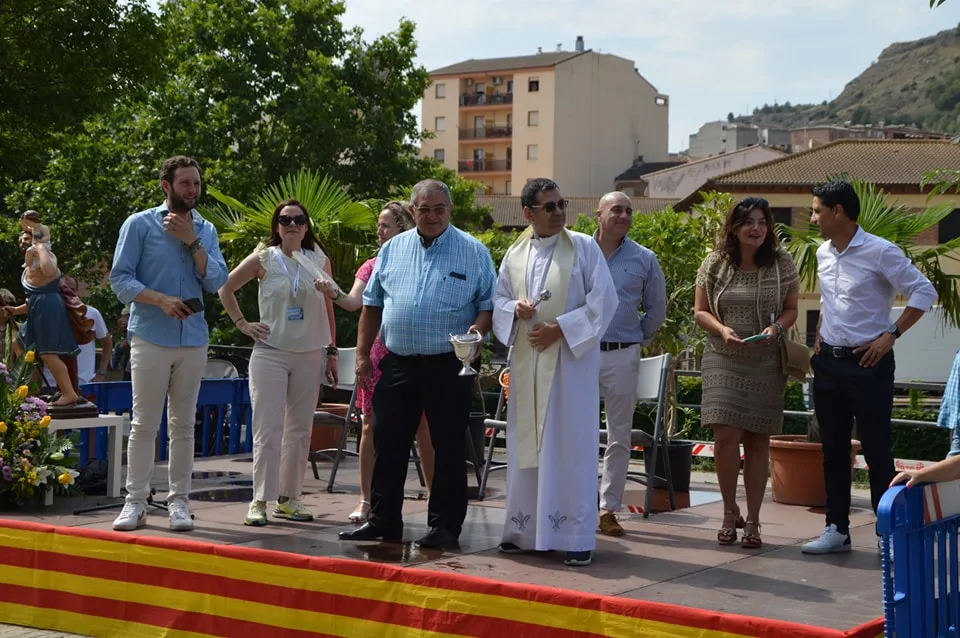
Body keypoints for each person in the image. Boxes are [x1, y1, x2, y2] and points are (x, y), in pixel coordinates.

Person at [338, 179, 496, 549]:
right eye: (424, 209)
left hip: (448, 365)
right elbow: (372, 304)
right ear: (413, 211)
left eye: (439, 208)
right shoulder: (392, 250)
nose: (432, 216)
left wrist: (477, 332)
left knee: (448, 446)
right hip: (398, 362)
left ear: (450, 209)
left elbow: (487, 304)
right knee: (386, 442)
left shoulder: (473, 251)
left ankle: (444, 526)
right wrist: (362, 355)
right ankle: (383, 520)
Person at [801, 180, 936, 554]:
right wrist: (819, 333)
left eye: (817, 211)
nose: (813, 218)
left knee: (877, 451)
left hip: (869, 363)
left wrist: (890, 335)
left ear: (839, 212)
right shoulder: (823, 253)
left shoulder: (880, 251)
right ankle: (836, 529)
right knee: (832, 449)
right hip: (829, 362)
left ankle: (886, 534)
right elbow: (831, 298)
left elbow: (925, 292)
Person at [493, 178, 618, 567]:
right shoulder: (514, 253)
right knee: (527, 445)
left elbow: (605, 301)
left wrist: (559, 329)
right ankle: (524, 530)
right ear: (528, 213)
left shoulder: (583, 248)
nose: (559, 212)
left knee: (569, 446)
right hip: (529, 366)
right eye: (549, 207)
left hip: (569, 370)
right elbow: (497, 299)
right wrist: (515, 309)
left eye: (562, 204)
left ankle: (575, 535)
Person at [109, 155, 229, 532]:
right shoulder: (139, 224)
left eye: (196, 183)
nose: (192, 190)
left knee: (183, 425)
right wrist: (160, 299)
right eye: (185, 184)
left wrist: (192, 242)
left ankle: (180, 503)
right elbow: (119, 280)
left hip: (193, 338)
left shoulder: (205, 229)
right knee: (144, 423)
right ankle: (135, 502)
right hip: (150, 336)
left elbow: (216, 282)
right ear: (166, 186)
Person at [219, 199, 338, 526]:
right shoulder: (264, 258)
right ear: (276, 225)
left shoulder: (318, 260)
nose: (292, 225)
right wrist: (243, 324)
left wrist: (331, 351)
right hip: (271, 351)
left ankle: (290, 498)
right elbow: (226, 287)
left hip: (310, 352)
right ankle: (259, 499)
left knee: (299, 430)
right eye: (285, 219)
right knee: (267, 429)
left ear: (306, 226)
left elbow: (330, 307)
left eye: (299, 219)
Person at [317, 201, 434, 523]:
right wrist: (333, 292)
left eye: (385, 225)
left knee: (424, 427)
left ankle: (436, 502)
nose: (379, 231)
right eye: (379, 226)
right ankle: (367, 500)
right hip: (377, 354)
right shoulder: (372, 265)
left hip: (413, 353)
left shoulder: (420, 261)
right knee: (370, 426)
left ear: (403, 228)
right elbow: (354, 303)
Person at [694, 197, 800, 549]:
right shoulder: (714, 264)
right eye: (748, 222)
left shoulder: (782, 263)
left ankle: (753, 520)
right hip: (722, 356)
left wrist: (776, 330)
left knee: (757, 442)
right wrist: (722, 330)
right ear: (734, 228)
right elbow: (700, 311)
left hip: (766, 361)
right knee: (725, 437)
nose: (756, 228)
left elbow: (791, 309)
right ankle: (728, 512)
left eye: (762, 222)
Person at [593, 191, 667, 537]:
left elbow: (656, 309)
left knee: (619, 436)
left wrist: (636, 337)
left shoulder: (644, 258)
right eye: (616, 209)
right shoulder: (581, 252)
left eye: (628, 210)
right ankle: (578, 503)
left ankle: (608, 510)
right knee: (577, 432)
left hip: (623, 353)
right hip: (582, 352)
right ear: (599, 214)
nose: (623, 215)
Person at [12, 214, 94, 405]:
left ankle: (69, 393)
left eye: (28, 238)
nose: (24, 242)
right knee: (20, 343)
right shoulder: (30, 264)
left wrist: (39, 247)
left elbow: (49, 272)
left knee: (48, 352)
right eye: (22, 239)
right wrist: (14, 310)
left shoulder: (46, 256)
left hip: (48, 307)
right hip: (37, 307)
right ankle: (33, 390)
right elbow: (32, 299)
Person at [42, 275, 112, 387]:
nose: (68, 292)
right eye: (64, 289)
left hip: (85, 383)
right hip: (51, 384)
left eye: (72, 289)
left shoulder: (92, 313)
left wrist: (102, 372)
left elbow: (107, 342)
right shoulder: (46, 314)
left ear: (77, 291)